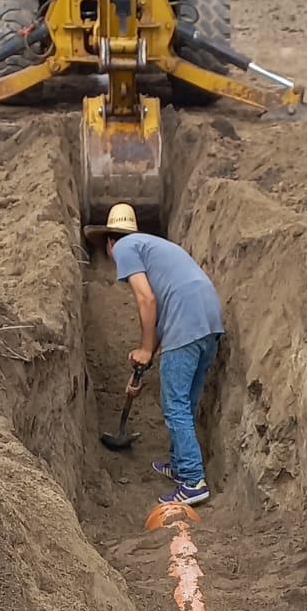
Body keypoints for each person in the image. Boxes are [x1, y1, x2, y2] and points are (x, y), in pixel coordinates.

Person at [85, 203, 224, 506]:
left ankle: (193, 481)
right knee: (185, 402)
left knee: (175, 406)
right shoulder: (153, 247)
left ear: (110, 241)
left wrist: (146, 349)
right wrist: (144, 361)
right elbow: (160, 316)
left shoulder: (124, 247)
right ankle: (180, 465)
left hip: (185, 322)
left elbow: (146, 300)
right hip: (209, 320)